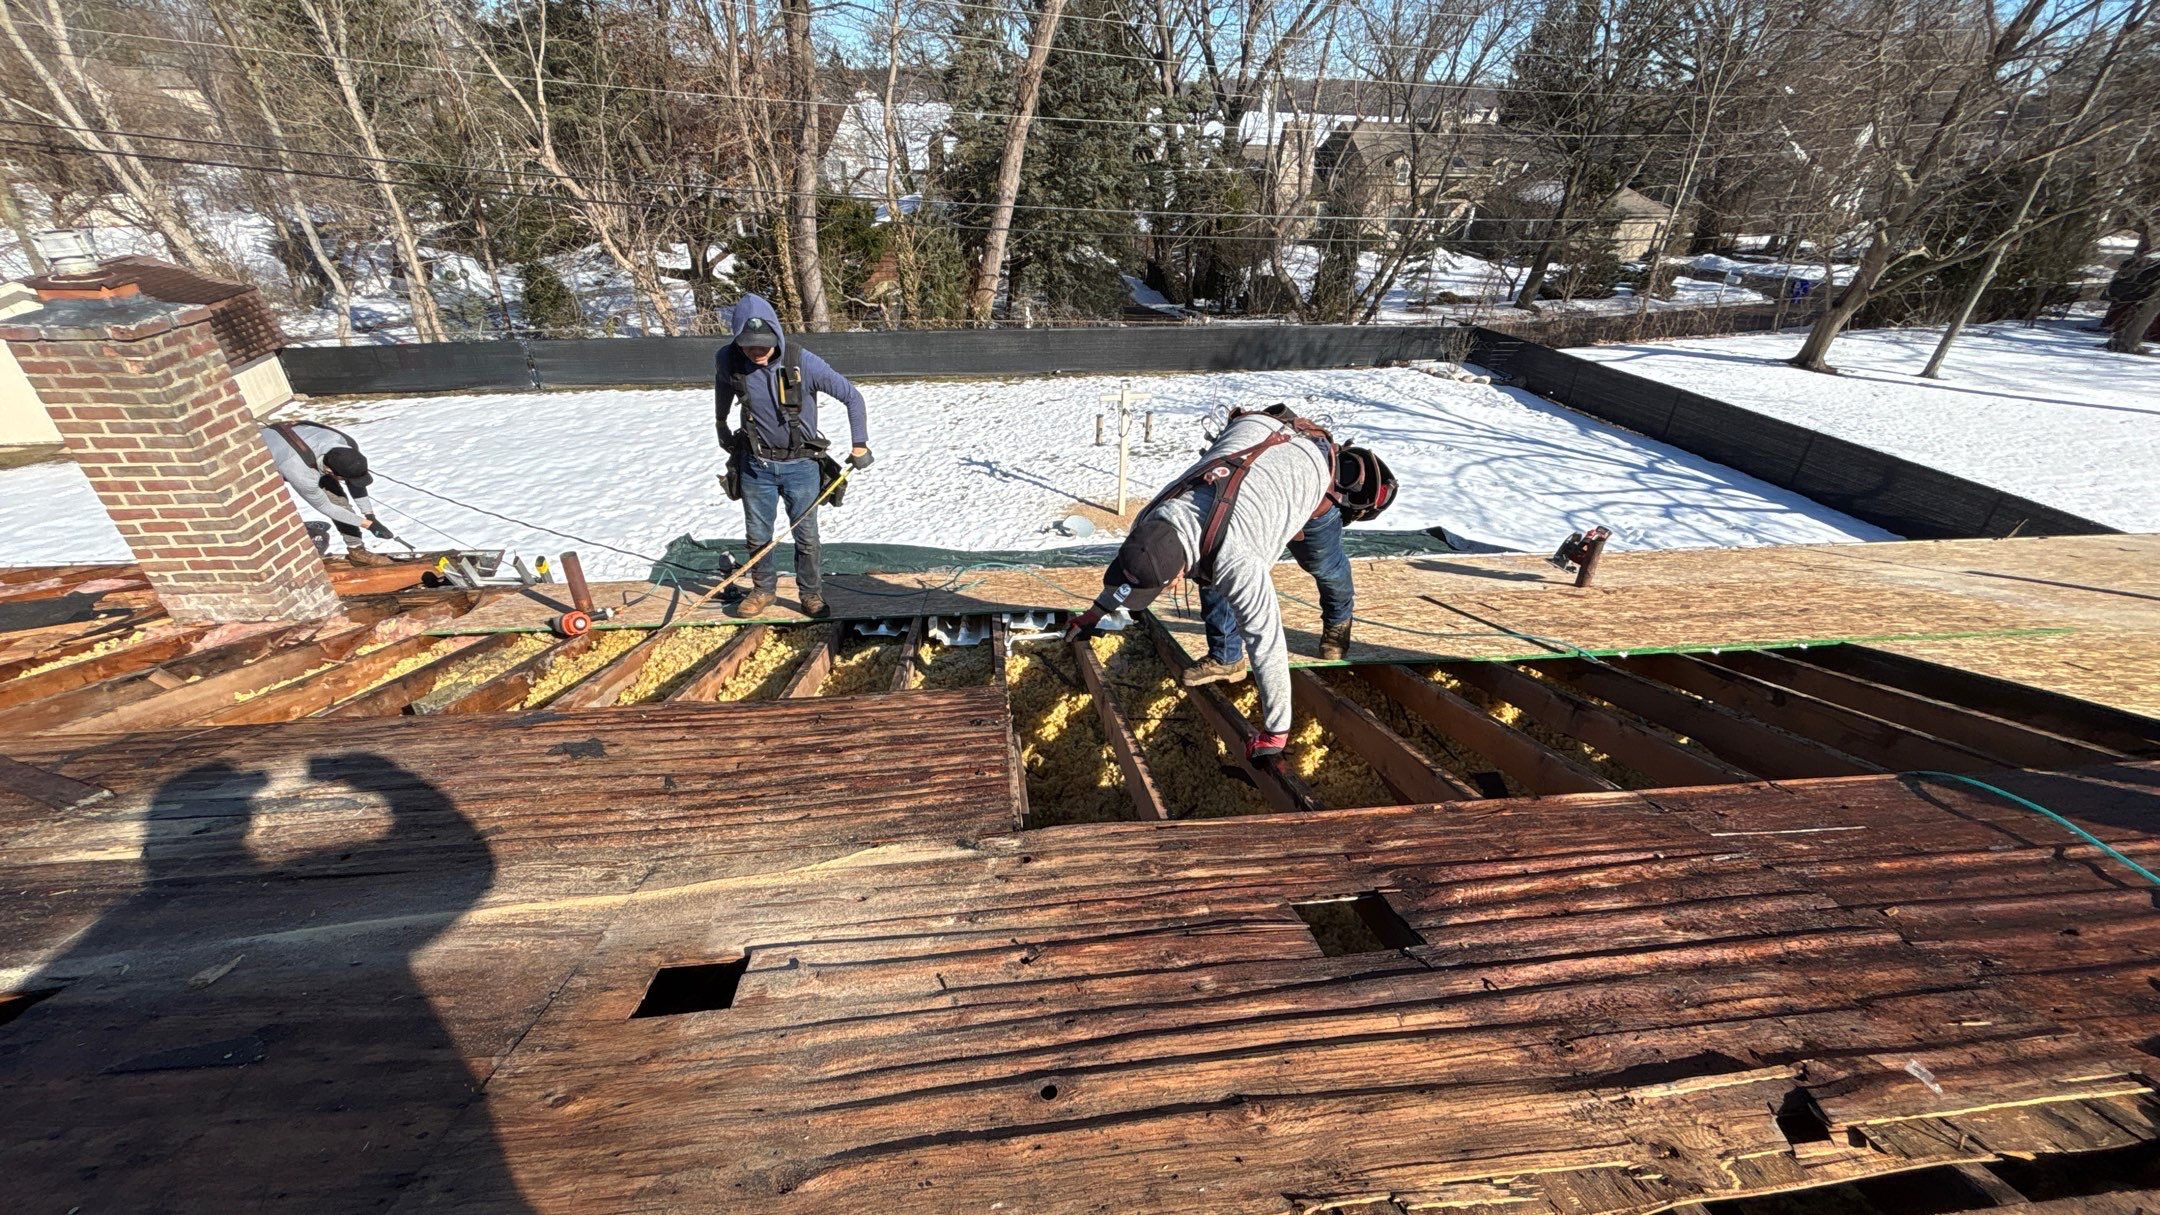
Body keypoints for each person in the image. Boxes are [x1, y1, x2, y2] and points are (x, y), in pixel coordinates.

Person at [1065, 405, 1395, 762]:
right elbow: (1133, 569)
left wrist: (1276, 732)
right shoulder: (1152, 519)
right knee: (1209, 571)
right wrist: (1095, 613)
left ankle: (1338, 621)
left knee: (1323, 565)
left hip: (1312, 468)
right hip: (1253, 442)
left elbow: (1267, 643)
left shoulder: (1239, 561)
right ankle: (1226, 657)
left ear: (1175, 574)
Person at [714, 293, 871, 618]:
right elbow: (722, 386)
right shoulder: (729, 360)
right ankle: (763, 590)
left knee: (806, 537)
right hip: (756, 466)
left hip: (801, 466)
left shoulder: (803, 362)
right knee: (757, 535)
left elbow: (852, 397)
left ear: (776, 335)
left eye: (763, 345)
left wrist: (860, 444)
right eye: (749, 346)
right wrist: (721, 422)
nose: (757, 352)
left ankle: (811, 595)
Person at [260, 420, 398, 567]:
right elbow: (326, 507)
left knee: (339, 500)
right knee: (271, 508)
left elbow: (355, 481)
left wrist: (370, 516)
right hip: (262, 456)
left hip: (305, 450)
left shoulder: (347, 444)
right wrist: (368, 525)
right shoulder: (302, 473)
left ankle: (356, 551)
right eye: (343, 478)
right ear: (330, 470)